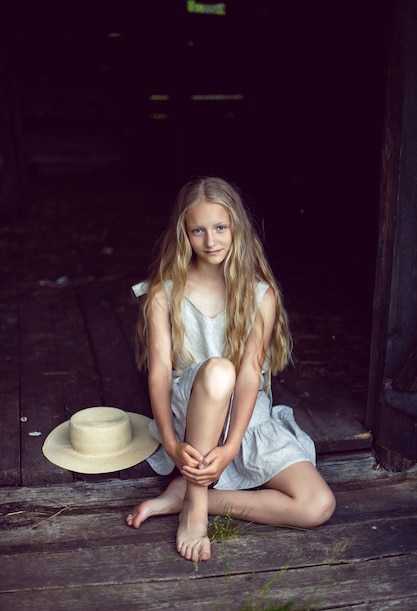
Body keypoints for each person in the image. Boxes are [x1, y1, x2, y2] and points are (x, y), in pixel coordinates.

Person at [126, 176, 336, 562]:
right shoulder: (163, 292)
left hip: (245, 415)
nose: (211, 241)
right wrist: (172, 443)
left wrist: (233, 445)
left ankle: (193, 497)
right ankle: (196, 510)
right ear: (183, 233)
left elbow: (250, 374)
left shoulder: (260, 294)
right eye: (199, 230)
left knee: (317, 505)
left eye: (220, 227)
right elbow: (158, 371)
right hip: (193, 405)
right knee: (219, 369)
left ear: (236, 227)